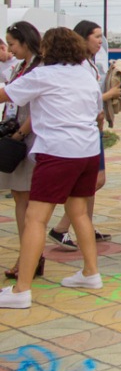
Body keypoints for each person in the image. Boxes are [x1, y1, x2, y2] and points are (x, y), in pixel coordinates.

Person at [0, 28, 104, 309]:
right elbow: (98, 111)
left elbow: (4, 95)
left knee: (36, 218)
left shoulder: (42, 75)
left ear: (47, 49)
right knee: (79, 211)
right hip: (88, 151)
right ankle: (91, 272)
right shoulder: (86, 73)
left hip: (57, 152)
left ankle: (21, 290)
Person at [48, 21, 121, 249]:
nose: (100, 41)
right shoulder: (77, 66)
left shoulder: (90, 63)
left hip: (94, 128)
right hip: (83, 131)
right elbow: (81, 99)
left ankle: (85, 227)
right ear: (82, 38)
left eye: (102, 37)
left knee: (93, 181)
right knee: (91, 181)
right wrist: (108, 93)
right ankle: (61, 228)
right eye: (96, 37)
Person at [1, 22, 42, 280]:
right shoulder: (19, 67)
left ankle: (30, 257)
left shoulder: (41, 68)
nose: (10, 49)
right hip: (17, 135)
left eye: (12, 44)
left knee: (27, 200)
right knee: (19, 196)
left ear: (25, 41)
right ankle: (30, 254)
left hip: (29, 138)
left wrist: (21, 133)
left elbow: (38, 109)